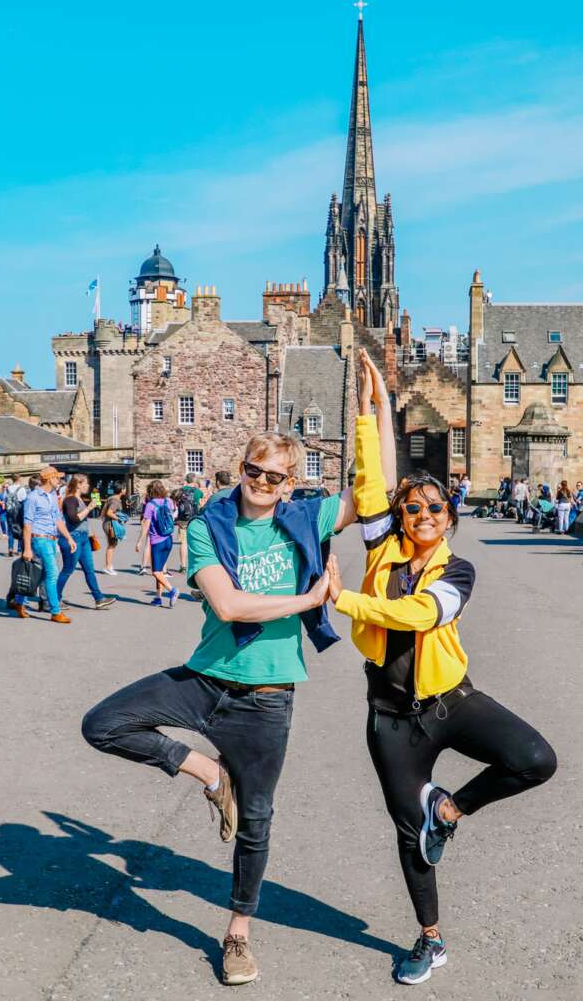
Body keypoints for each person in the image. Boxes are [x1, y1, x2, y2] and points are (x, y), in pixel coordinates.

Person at [82, 351, 380, 986]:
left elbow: (370, 492)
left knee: (259, 820)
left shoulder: (307, 516)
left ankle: (238, 931)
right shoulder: (208, 525)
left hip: (267, 697)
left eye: (275, 477)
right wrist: (309, 599)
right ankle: (211, 773)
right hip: (207, 678)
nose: (262, 483)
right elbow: (228, 603)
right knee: (104, 723)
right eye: (254, 471)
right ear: (240, 469)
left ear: (292, 483)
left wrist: (369, 416)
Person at [326, 352, 557, 986]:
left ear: (449, 518)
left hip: (450, 701)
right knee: (407, 832)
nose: (422, 515)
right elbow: (372, 478)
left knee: (535, 759)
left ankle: (449, 811)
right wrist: (369, 409)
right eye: (413, 509)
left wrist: (340, 599)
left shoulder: (458, 571)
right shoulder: (381, 544)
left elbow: (419, 616)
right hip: (390, 719)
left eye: (434, 509)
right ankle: (430, 938)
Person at [12, 466, 76, 622]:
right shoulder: (33, 497)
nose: (59, 481)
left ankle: (18, 601)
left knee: (42, 574)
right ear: (49, 479)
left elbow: (58, 519)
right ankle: (55, 611)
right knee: (52, 573)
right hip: (39, 538)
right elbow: (27, 524)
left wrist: (69, 537)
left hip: (51, 539)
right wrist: (27, 548)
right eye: (57, 478)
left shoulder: (53, 495)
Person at [56, 475, 117, 610]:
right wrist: (89, 508)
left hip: (83, 538)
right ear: (78, 484)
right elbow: (73, 519)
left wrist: (90, 533)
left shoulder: (79, 499)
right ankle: (54, 599)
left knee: (89, 570)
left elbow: (83, 521)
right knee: (67, 570)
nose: (88, 486)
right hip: (73, 538)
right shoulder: (70, 499)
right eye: (86, 484)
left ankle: (99, 599)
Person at [137, 480, 179, 607]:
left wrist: (139, 541)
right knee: (160, 570)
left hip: (157, 541)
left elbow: (146, 526)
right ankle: (158, 598)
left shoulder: (150, 505)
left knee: (155, 572)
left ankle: (172, 590)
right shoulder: (169, 502)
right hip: (169, 539)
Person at [175, 475, 202, 573]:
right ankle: (196, 565)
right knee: (195, 542)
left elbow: (175, 501)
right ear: (194, 481)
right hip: (194, 519)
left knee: (183, 543)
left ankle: (183, 566)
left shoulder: (180, 490)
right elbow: (201, 501)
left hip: (183, 519)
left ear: (186, 480)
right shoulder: (197, 491)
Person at [100, 484, 125, 576]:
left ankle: (109, 565)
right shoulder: (115, 500)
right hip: (111, 524)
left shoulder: (111, 498)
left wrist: (102, 518)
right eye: (124, 488)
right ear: (122, 489)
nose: (125, 490)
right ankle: (108, 567)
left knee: (112, 544)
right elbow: (109, 512)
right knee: (111, 545)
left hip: (107, 523)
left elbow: (103, 511)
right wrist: (119, 519)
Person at [4, 473, 28, 557]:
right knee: (20, 530)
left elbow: (5, 500)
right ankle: (19, 549)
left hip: (9, 511)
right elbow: (24, 501)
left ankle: (10, 548)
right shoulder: (22, 489)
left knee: (10, 531)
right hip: (19, 512)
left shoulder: (7, 489)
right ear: (19, 479)